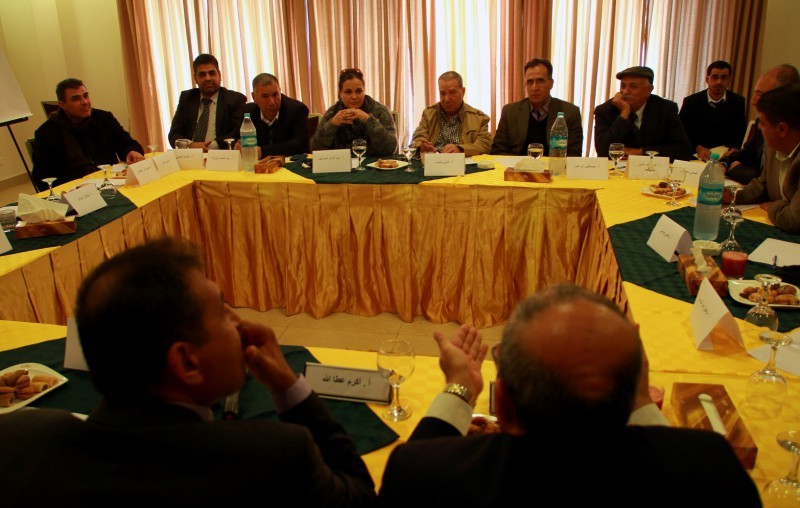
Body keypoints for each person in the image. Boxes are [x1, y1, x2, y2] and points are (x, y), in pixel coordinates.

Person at [0, 238, 375, 506]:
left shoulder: (19, 437)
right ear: (187, 363)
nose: (240, 322)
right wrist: (288, 386)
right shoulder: (274, 456)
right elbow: (359, 498)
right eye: (223, 312)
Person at [379, 285, 761, 506]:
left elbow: (421, 463)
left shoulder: (427, 477)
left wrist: (460, 388)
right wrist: (642, 399)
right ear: (633, 392)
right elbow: (667, 454)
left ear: (504, 405)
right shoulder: (713, 471)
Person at [31, 78, 145, 190]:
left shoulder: (104, 119)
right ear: (62, 105)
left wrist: (131, 151)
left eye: (86, 96)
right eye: (76, 99)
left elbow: (127, 143)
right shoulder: (46, 133)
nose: (85, 102)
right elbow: (42, 178)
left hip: (112, 184)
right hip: (77, 192)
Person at [733, 84, 800, 234]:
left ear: (782, 129)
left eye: (762, 124)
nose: (759, 128)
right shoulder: (774, 148)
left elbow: (794, 220)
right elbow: (762, 185)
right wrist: (733, 195)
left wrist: (773, 207)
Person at [721, 64, 800, 184]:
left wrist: (737, 170)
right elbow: (748, 153)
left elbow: (768, 182)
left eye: (761, 95)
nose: (753, 101)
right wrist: (725, 163)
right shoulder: (762, 120)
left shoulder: (788, 136)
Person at [594, 66, 693, 162]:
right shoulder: (605, 110)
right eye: (623, 86)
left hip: (653, 170)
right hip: (615, 170)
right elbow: (603, 151)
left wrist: (639, 152)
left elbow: (684, 150)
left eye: (633, 87)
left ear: (649, 90)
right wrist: (624, 114)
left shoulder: (665, 109)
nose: (625, 92)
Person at [492, 58, 583, 156]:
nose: (534, 88)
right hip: (518, 164)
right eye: (530, 82)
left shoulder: (570, 113)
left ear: (551, 84)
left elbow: (574, 155)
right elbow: (497, 151)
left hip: (554, 165)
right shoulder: (510, 112)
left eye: (540, 81)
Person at [167, 53, 247, 150]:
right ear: (195, 78)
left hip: (220, 155)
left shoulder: (235, 99)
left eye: (212, 73)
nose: (208, 78)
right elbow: (174, 134)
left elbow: (238, 133)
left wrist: (211, 146)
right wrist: (191, 145)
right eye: (202, 74)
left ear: (219, 75)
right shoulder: (187, 98)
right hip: (190, 155)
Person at [310, 68, 397, 156]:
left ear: (364, 91)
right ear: (340, 93)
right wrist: (332, 124)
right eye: (348, 92)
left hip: (374, 162)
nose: (354, 97)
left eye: (359, 91)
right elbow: (315, 149)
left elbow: (391, 148)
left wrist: (368, 120)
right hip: (340, 162)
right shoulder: (332, 112)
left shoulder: (379, 111)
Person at [678, 60, 747, 162]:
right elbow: (682, 132)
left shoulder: (738, 102)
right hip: (696, 156)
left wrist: (734, 149)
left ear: (729, 80)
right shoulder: (691, 102)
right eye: (715, 77)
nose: (719, 82)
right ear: (707, 79)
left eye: (723, 78)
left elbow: (740, 131)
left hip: (725, 157)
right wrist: (697, 147)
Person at [412, 71, 492, 156]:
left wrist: (461, 149)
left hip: (463, 162)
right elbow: (417, 139)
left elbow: (485, 145)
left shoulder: (479, 118)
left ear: (463, 92)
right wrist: (421, 146)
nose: (447, 99)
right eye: (443, 93)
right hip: (434, 161)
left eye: (452, 92)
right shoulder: (429, 114)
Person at [238, 73, 310, 157]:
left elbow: (300, 145)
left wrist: (262, 151)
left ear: (280, 91)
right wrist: (238, 146)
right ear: (254, 97)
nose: (272, 102)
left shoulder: (297, 109)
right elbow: (236, 138)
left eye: (275, 95)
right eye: (265, 96)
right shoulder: (248, 112)